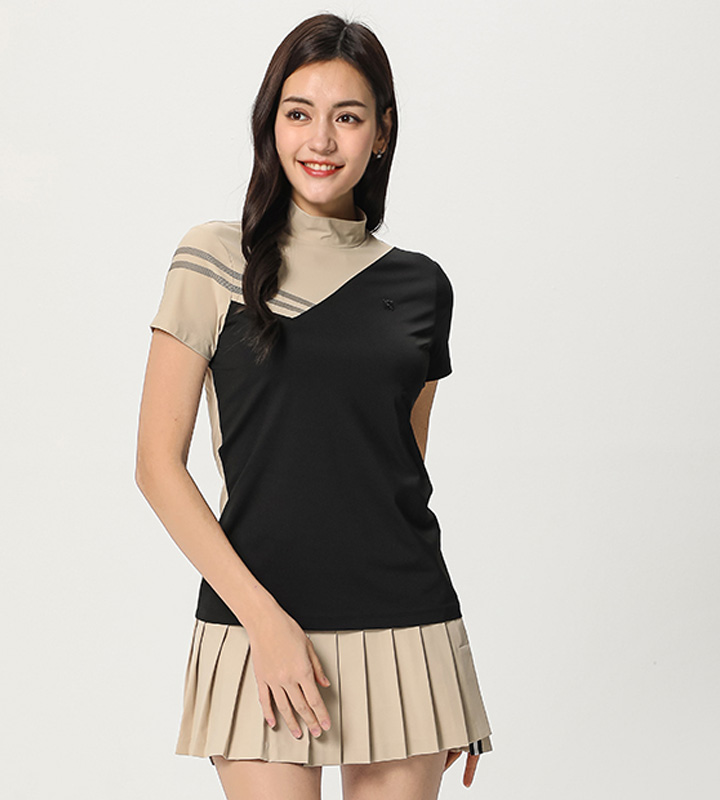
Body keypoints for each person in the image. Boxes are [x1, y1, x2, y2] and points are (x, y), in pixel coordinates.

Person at [135, 12, 492, 800]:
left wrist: (443, 679)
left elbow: (398, 474)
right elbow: (157, 467)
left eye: (348, 117)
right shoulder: (213, 257)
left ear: (382, 132)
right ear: (271, 124)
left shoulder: (422, 287)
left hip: (406, 629)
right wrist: (264, 622)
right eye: (299, 113)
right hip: (256, 623)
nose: (321, 139)